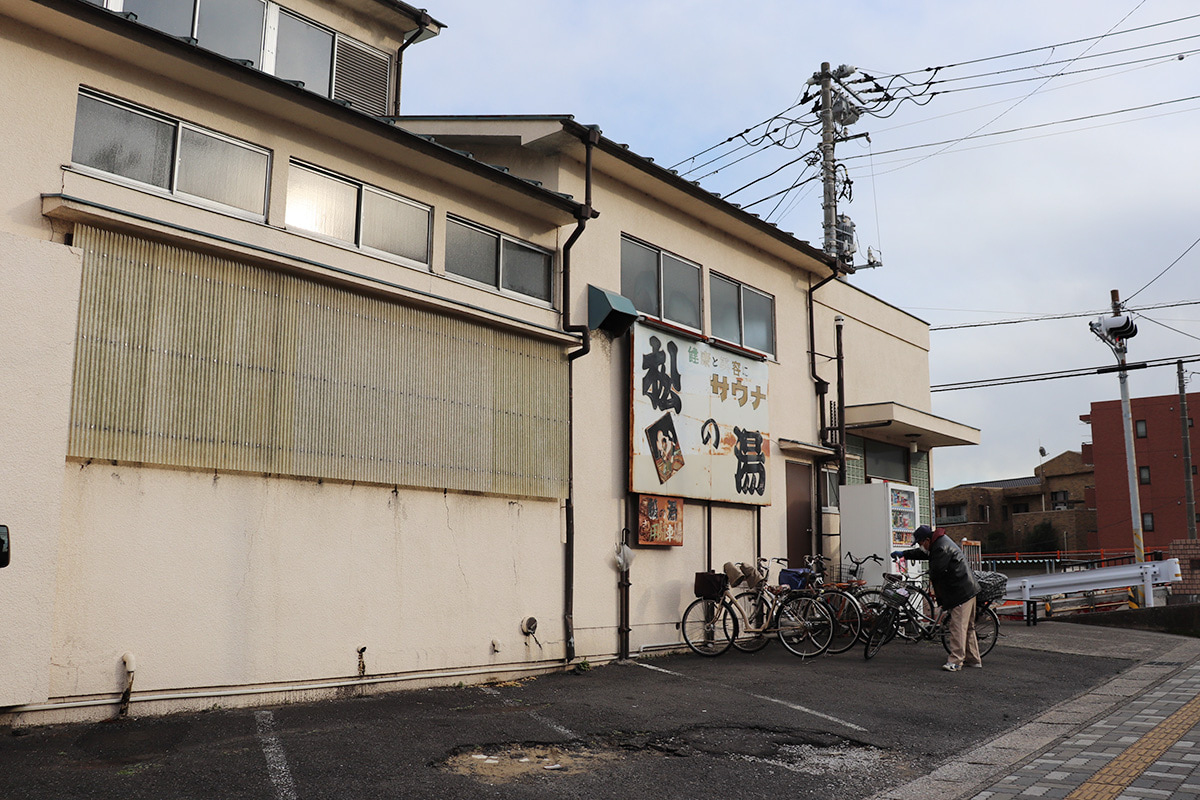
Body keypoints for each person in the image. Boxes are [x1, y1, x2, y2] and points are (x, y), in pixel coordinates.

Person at [892, 525, 981, 672]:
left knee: (957, 627)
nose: (921, 547)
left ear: (927, 540)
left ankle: (956, 661)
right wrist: (904, 554)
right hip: (968, 588)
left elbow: (937, 570)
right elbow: (925, 554)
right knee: (968, 627)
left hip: (960, 591)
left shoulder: (940, 547)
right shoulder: (939, 543)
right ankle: (973, 659)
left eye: (920, 543)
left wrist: (926, 576)